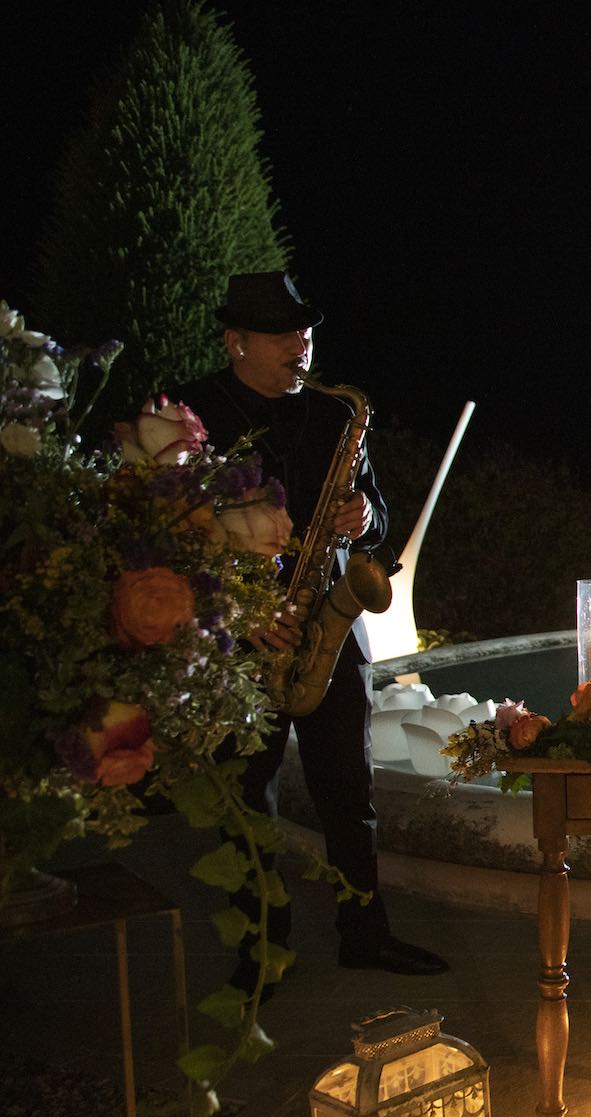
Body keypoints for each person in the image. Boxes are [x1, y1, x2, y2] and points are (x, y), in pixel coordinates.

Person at [173, 272, 448, 988]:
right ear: (235, 342)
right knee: (248, 794)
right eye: (284, 334)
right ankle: (264, 946)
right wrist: (238, 609)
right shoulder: (193, 413)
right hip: (242, 631)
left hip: (325, 614)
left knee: (348, 789)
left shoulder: (334, 413)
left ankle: (366, 932)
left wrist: (364, 517)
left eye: (307, 332)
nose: (302, 345)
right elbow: (170, 534)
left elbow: (380, 519)